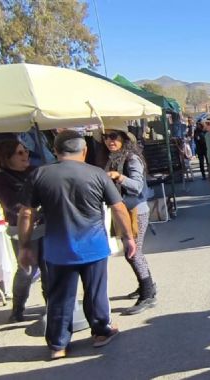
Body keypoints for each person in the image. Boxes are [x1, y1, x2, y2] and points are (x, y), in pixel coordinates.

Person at [17, 130, 136, 360]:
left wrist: (24, 245)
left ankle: (58, 345)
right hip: (93, 246)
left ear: (56, 151)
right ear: (84, 150)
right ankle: (101, 333)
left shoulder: (40, 174)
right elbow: (119, 207)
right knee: (95, 293)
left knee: (59, 297)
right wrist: (128, 237)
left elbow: (26, 213)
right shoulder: (98, 174)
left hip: (57, 249)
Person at [100, 126, 157, 315]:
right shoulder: (114, 158)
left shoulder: (132, 158)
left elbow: (138, 186)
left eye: (114, 136)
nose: (109, 140)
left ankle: (148, 293)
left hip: (135, 211)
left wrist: (119, 177)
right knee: (133, 251)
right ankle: (146, 286)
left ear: (124, 138)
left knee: (133, 252)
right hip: (124, 210)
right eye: (106, 137)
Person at [0, 140, 46, 322]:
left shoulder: (34, 172)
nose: (25, 156)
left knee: (48, 267)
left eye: (26, 151)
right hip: (21, 229)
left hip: (44, 227)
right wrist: (35, 212)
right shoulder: (0, 178)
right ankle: (18, 309)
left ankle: (52, 305)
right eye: (19, 153)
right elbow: (12, 205)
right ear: (6, 158)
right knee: (26, 270)